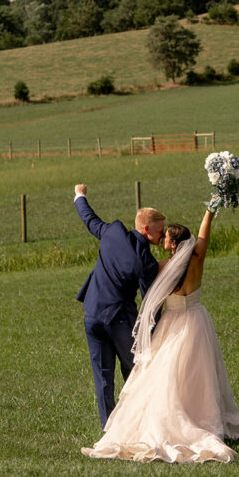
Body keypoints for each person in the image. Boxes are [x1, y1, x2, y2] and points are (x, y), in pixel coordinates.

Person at [81, 207, 239, 463]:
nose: (162, 240)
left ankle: (162, 419)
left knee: (163, 375)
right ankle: (200, 418)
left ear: (172, 244)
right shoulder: (196, 259)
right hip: (195, 322)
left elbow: (149, 294)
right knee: (198, 376)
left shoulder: (163, 268)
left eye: (165, 238)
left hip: (170, 325)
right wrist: (209, 211)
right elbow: (204, 236)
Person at [74, 183, 165, 427]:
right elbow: (151, 301)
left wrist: (79, 196)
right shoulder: (145, 260)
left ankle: (109, 428)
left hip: (92, 315)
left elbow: (90, 221)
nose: (163, 235)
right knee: (135, 369)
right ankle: (137, 422)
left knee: (103, 377)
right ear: (147, 229)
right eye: (160, 232)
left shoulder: (113, 231)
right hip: (119, 321)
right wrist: (157, 331)